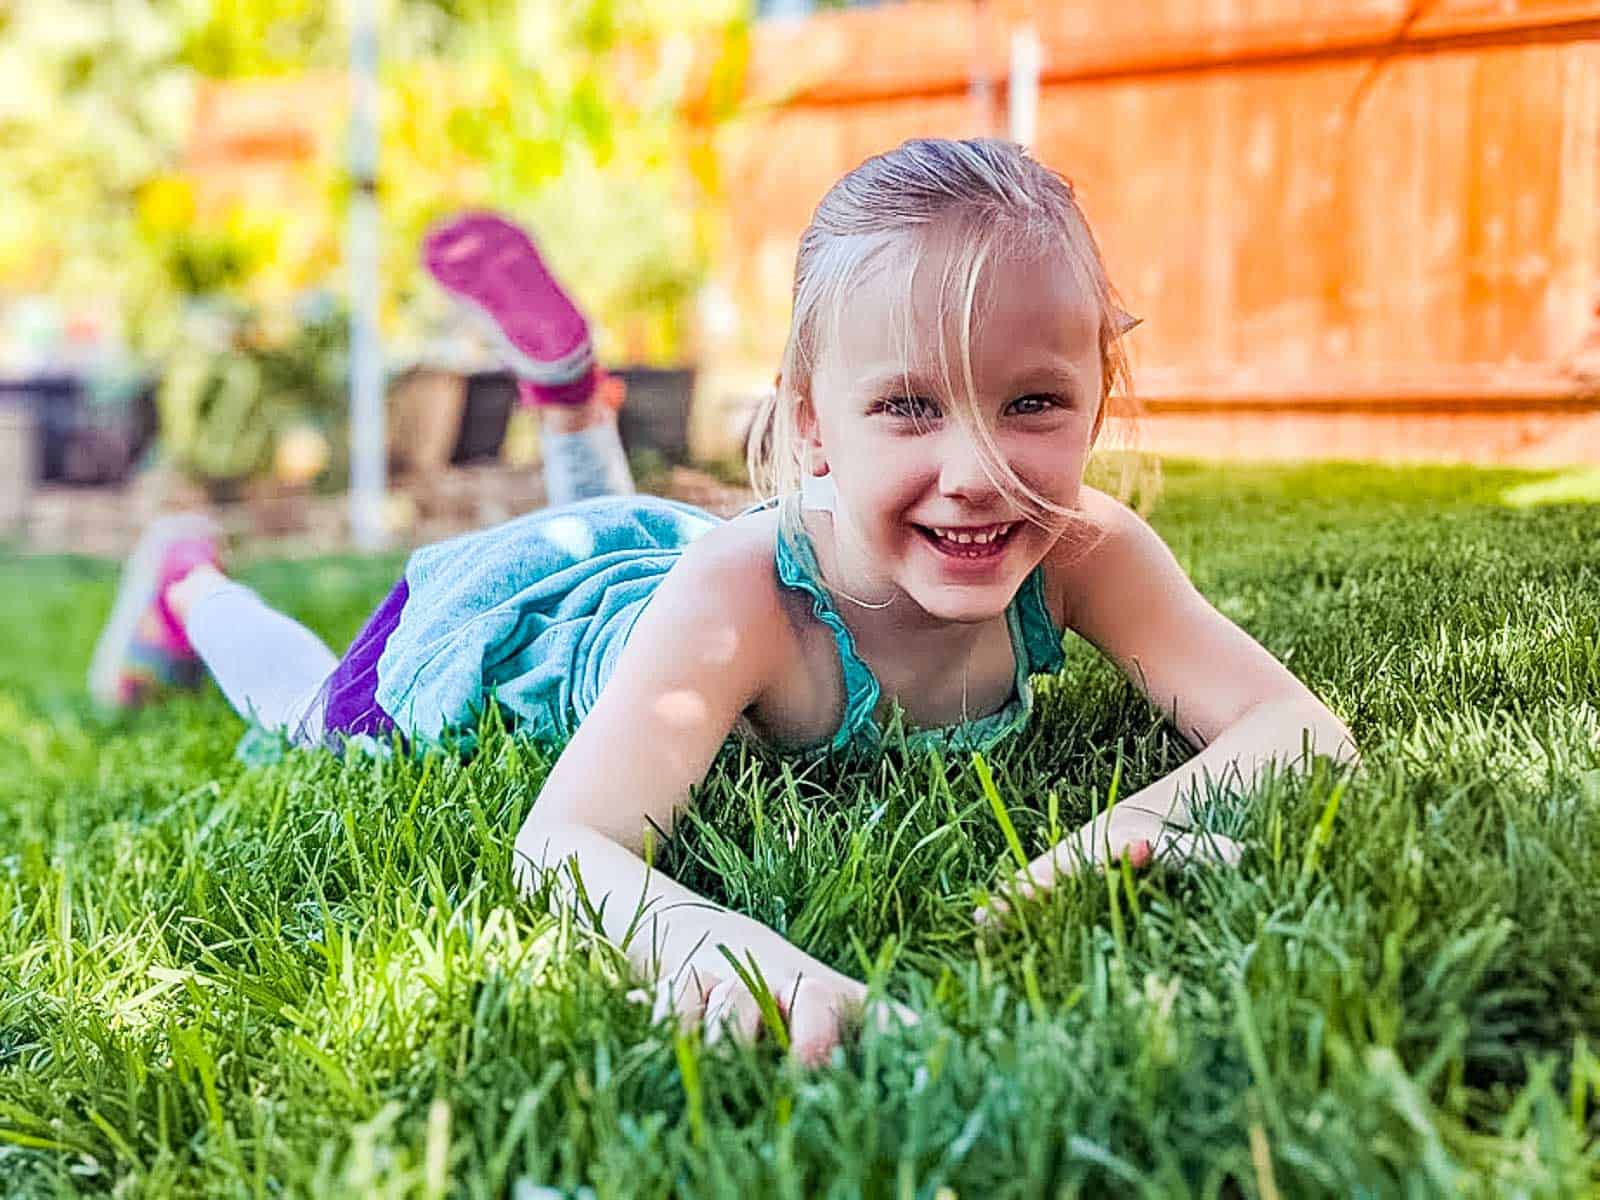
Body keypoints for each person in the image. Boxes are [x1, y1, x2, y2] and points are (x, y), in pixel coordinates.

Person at [88, 139, 1356, 1065]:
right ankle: (191, 588)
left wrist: (1122, 835)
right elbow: (565, 843)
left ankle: (570, 408)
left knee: (658, 556)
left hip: (667, 562)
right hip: (541, 627)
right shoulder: (743, 593)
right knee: (307, 704)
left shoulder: (1082, 543)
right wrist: (715, 949)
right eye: (909, 405)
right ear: (810, 424)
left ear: (1096, 390)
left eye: (1031, 403)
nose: (977, 474)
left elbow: (1299, 730)